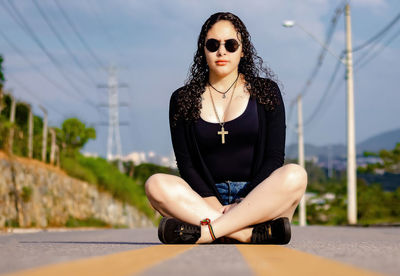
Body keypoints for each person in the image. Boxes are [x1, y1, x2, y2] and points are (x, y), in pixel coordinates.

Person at [145, 12, 307, 244]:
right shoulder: (182, 99)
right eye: (213, 45)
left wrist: (243, 202)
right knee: (156, 184)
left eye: (231, 45)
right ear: (203, 50)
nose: (222, 51)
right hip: (203, 202)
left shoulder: (266, 92)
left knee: (295, 175)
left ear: (243, 50)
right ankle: (246, 234)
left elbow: (274, 157)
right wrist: (213, 204)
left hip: (259, 198)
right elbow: (186, 164)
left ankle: (206, 233)